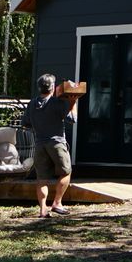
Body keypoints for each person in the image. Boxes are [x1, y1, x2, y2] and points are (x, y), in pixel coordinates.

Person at [22, 73, 79, 217]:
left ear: (39, 88)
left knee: (42, 179)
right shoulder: (56, 103)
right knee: (66, 172)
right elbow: (72, 119)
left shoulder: (32, 104)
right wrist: (73, 103)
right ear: (53, 87)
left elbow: (26, 123)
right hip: (57, 143)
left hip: (40, 144)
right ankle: (57, 203)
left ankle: (42, 209)